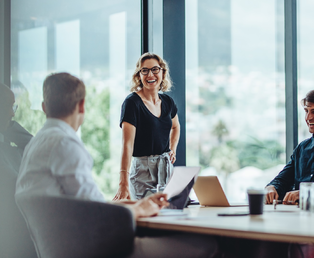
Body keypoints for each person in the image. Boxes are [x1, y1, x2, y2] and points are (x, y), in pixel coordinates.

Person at [16, 73, 219, 258]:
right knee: (207, 245)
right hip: (98, 249)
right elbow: (96, 215)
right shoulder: (65, 144)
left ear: (44, 107)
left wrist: (137, 205)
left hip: (64, 248)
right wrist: (139, 210)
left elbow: (85, 203)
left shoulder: (36, 144)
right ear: (81, 106)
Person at [114, 52, 180, 201]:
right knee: (145, 218)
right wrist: (123, 182)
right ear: (139, 75)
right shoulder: (132, 103)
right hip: (142, 171)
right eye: (145, 70)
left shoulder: (168, 102)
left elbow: (176, 127)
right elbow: (127, 145)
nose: (150, 74)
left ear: (162, 72)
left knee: (168, 216)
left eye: (155, 69)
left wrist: (173, 148)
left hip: (166, 168)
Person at [0, 83, 37, 258]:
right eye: (8, 106)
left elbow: (36, 148)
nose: (12, 113)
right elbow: (18, 186)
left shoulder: (8, 148)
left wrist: (9, 126)